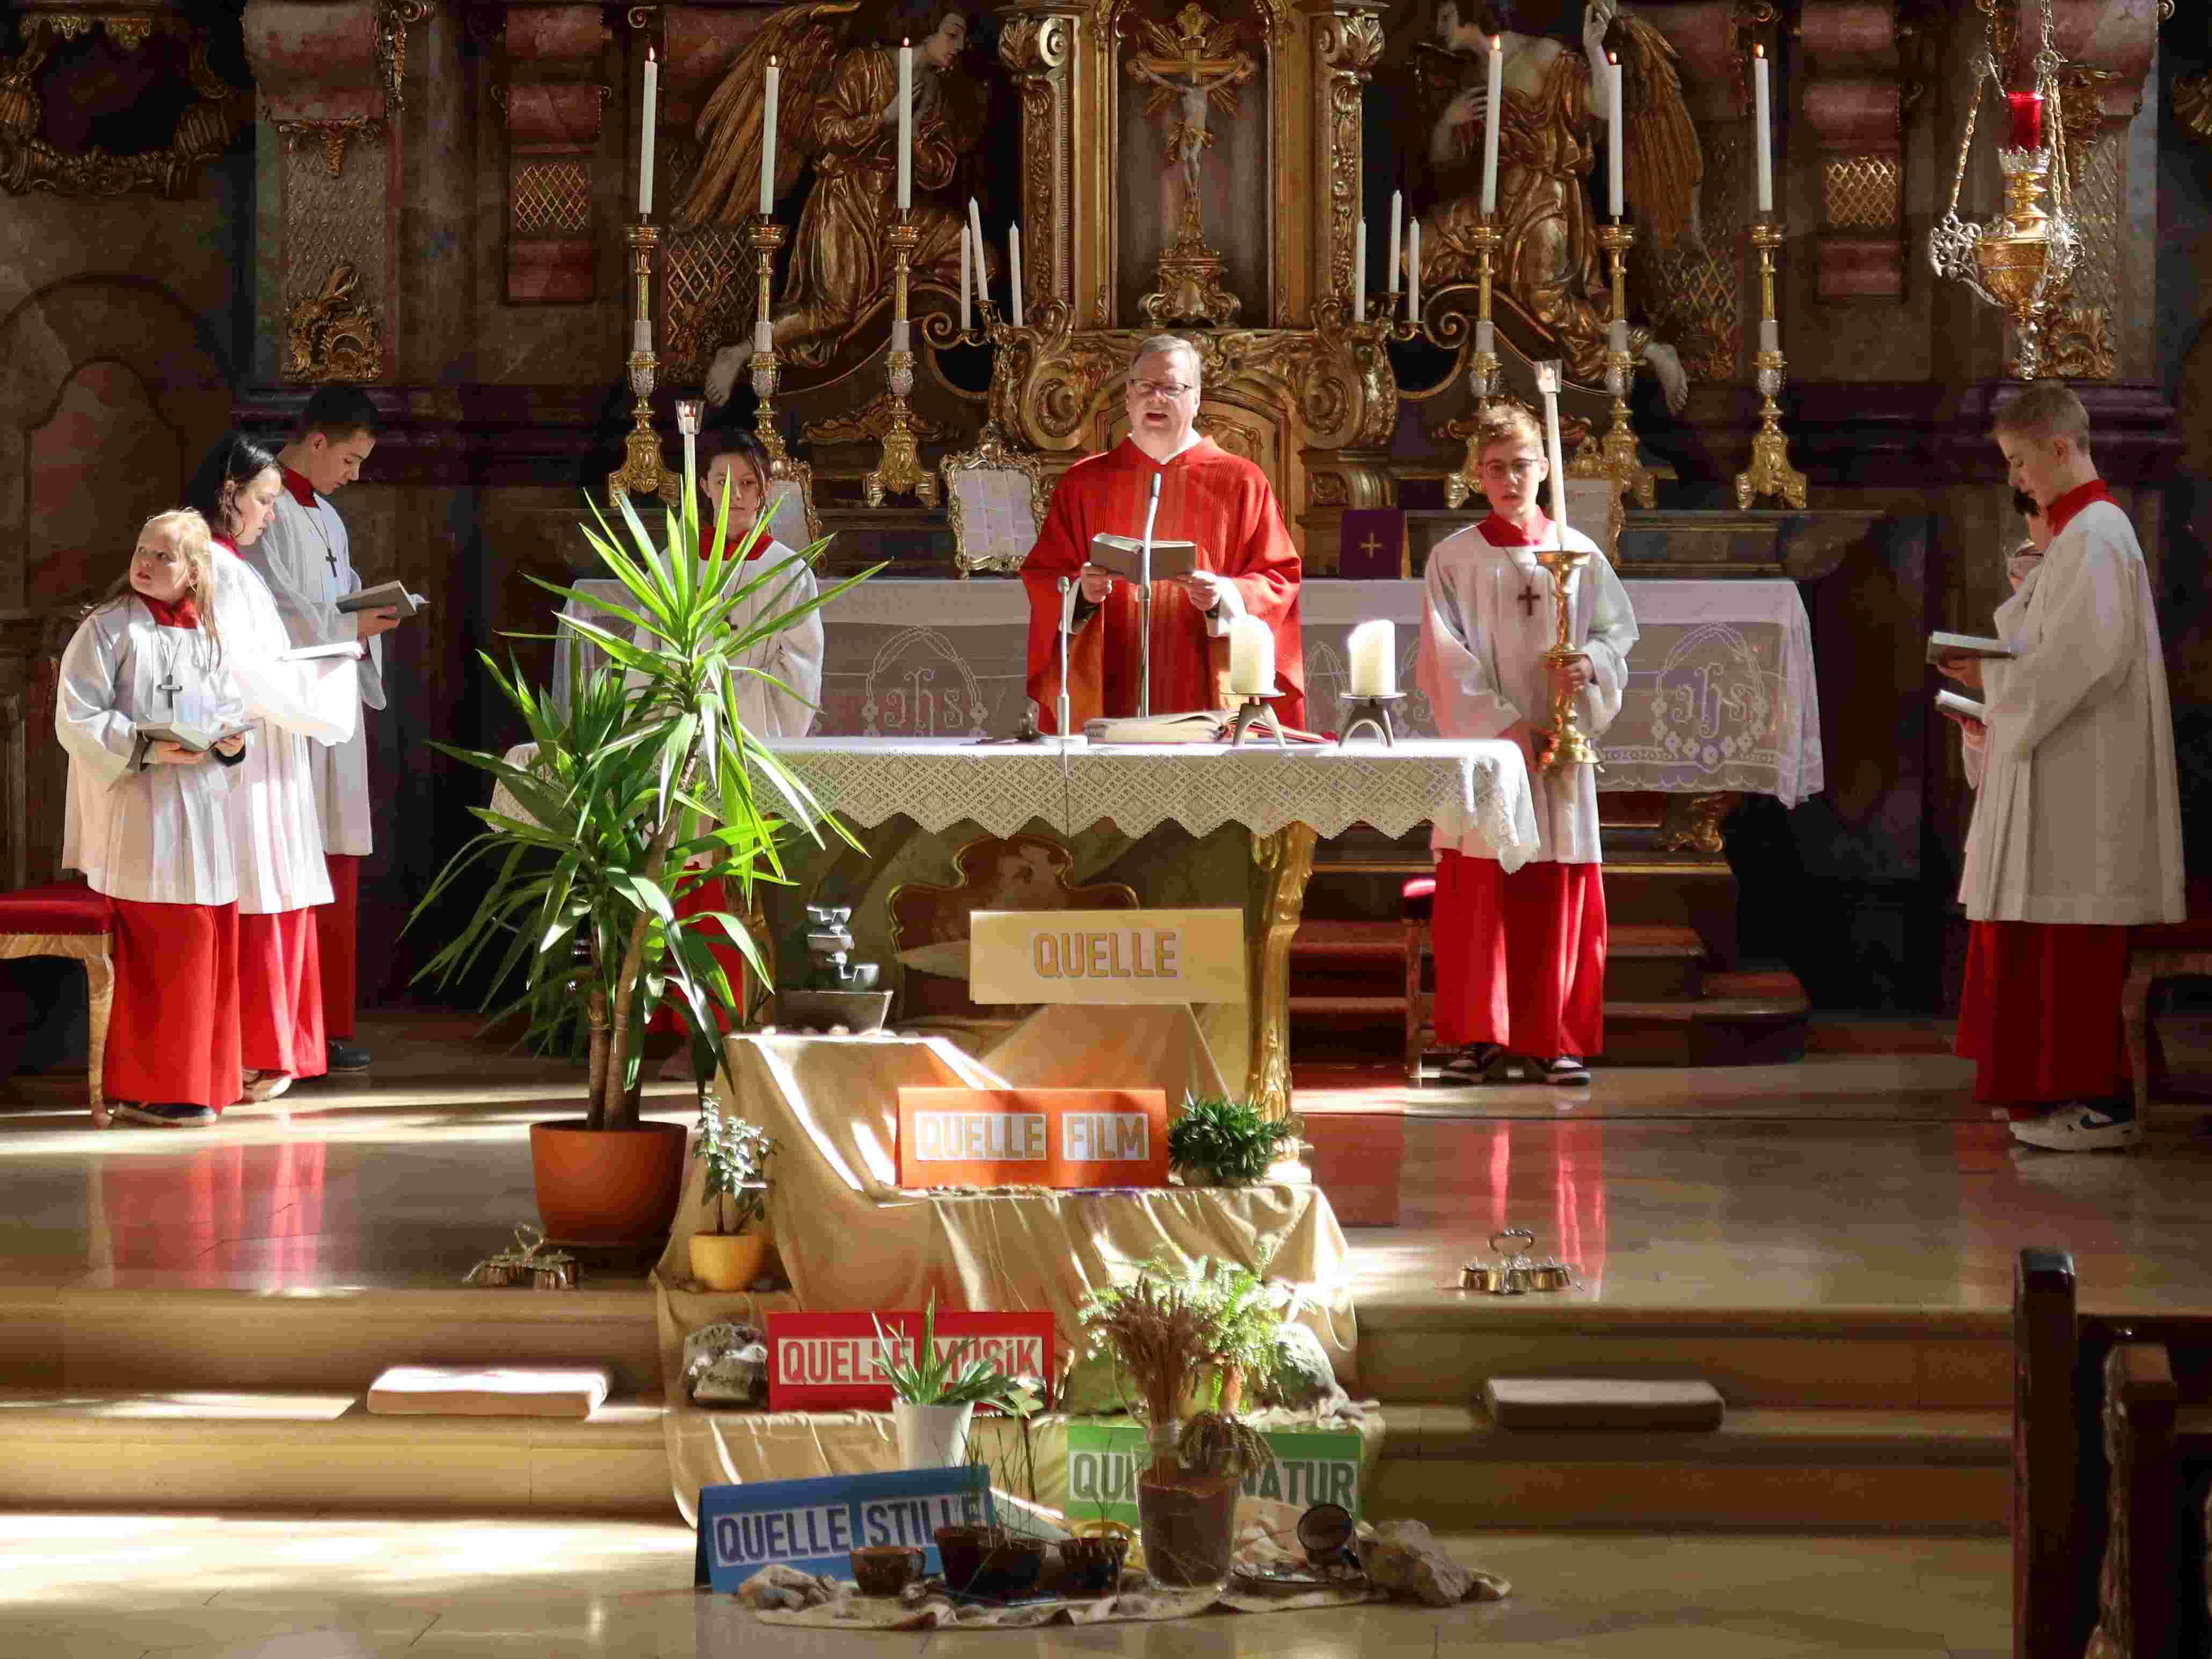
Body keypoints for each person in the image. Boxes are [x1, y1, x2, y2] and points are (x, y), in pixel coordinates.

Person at [1938, 381, 2185, 1152]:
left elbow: (2087, 657)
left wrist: (1995, 680)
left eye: (2018, 461)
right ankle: (2052, 1091)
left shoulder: (2100, 534)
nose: (2016, 479)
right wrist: (1994, 685)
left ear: (2059, 447)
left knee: (2072, 944)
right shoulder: (2075, 538)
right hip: (2061, 763)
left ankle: (2100, 1101)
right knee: (2044, 937)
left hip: (2086, 777)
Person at [1416, 404, 1637, 1086]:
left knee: (1557, 881)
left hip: (1560, 751)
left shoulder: (1578, 552)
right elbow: (1442, 658)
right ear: (1477, 474)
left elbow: (1616, 632)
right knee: (1480, 887)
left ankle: (1553, 1036)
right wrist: (1510, 729)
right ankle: (1477, 1036)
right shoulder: (1453, 557)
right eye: (1496, 468)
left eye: (1522, 465)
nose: (1510, 479)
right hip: (1491, 751)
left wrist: (1591, 667)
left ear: (1546, 469)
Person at [56, 510, 249, 1126]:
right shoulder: (108, 629)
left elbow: (231, 706)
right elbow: (76, 718)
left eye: (164, 556)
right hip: (140, 808)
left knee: (205, 934)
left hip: (201, 806)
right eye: (142, 549)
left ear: (194, 571)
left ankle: (206, 1080)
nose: (145, 562)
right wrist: (145, 746)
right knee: (163, 942)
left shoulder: (210, 634)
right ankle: (148, 1085)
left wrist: (227, 742)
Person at [1020, 334, 1305, 730]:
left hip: (1208, 685)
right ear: (1128, 398)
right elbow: (1044, 575)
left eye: (1172, 388)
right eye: (1145, 387)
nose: (1156, 399)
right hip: (1109, 688)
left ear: (1197, 399)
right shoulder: (1084, 483)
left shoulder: (1242, 481)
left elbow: (1279, 578)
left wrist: (1223, 594)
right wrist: (1081, 594)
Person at [187, 432, 351, 1103]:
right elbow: (245, 672)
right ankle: (257, 1049)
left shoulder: (233, 564)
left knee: (275, 881)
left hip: (269, 742)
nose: (272, 514)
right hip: (247, 747)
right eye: (264, 499)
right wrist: (321, 686)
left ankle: (269, 1048)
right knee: (259, 885)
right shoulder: (217, 569)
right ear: (229, 493)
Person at [244, 385, 402, 1074]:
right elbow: (269, 608)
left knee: (336, 858)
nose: (355, 473)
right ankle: (292, 1033)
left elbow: (338, 594)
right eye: (351, 458)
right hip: (288, 710)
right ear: (315, 442)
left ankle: (330, 1024)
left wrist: (368, 620)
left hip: (334, 704)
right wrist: (347, 626)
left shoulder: (330, 518)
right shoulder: (261, 511)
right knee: (293, 865)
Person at [696, 429, 825, 739]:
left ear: (766, 488)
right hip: (688, 728)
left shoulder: (789, 572)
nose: (735, 496)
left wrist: (736, 710)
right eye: (723, 483)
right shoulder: (676, 565)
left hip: (759, 734)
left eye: (747, 483)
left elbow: (800, 665)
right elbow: (651, 647)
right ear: (705, 487)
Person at [1956, 490, 2050, 792]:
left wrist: (1987, 676)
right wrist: (1981, 739)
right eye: (2015, 591)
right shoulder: (2015, 632)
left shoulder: (2066, 629)